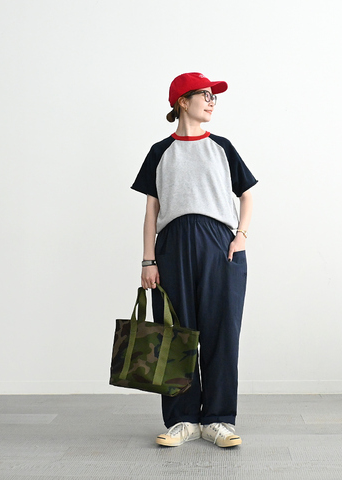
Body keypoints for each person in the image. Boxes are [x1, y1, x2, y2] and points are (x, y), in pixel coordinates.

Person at [131, 72, 258, 448]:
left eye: (214, 96)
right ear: (182, 102)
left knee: (222, 334)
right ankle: (182, 420)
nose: (212, 101)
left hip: (220, 247)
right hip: (172, 248)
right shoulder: (160, 151)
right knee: (174, 335)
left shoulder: (222, 147)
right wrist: (148, 260)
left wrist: (241, 236)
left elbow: (247, 195)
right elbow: (151, 210)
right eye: (205, 95)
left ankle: (219, 419)